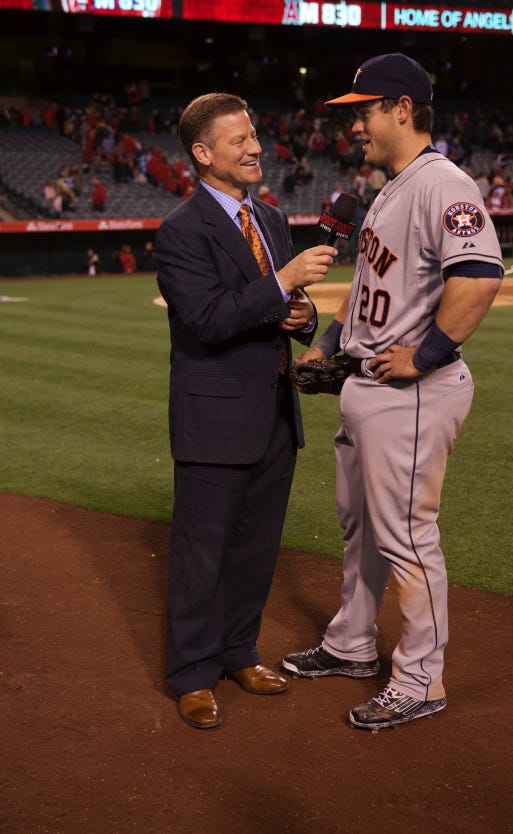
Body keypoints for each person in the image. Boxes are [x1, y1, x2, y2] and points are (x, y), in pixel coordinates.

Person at [282, 53, 503, 731]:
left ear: (401, 108)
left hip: (410, 393)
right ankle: (350, 645)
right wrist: (327, 345)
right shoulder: (387, 190)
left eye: (363, 110)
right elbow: (374, 291)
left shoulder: (444, 185)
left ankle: (420, 678)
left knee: (405, 535)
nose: (353, 125)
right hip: (365, 385)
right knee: (362, 530)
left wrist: (429, 352)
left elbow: (479, 273)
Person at [155, 92, 337, 730]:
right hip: (213, 419)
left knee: (256, 550)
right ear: (203, 155)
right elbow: (207, 320)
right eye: (237, 140)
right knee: (201, 554)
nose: (254, 146)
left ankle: (237, 652)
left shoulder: (270, 219)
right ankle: (192, 675)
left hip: (275, 415)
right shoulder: (181, 229)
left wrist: (303, 314)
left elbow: (277, 314)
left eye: (253, 134)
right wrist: (283, 282)